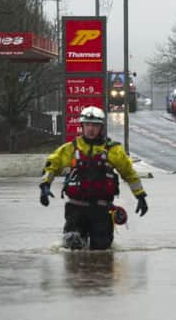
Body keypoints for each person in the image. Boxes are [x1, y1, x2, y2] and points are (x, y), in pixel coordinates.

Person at [39, 106, 149, 250]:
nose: (91, 129)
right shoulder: (70, 149)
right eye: (87, 125)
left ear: (101, 127)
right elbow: (51, 165)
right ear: (82, 126)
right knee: (71, 247)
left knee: (101, 251)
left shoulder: (114, 150)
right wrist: (45, 186)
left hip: (102, 210)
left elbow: (129, 174)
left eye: (95, 125)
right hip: (76, 209)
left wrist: (140, 196)